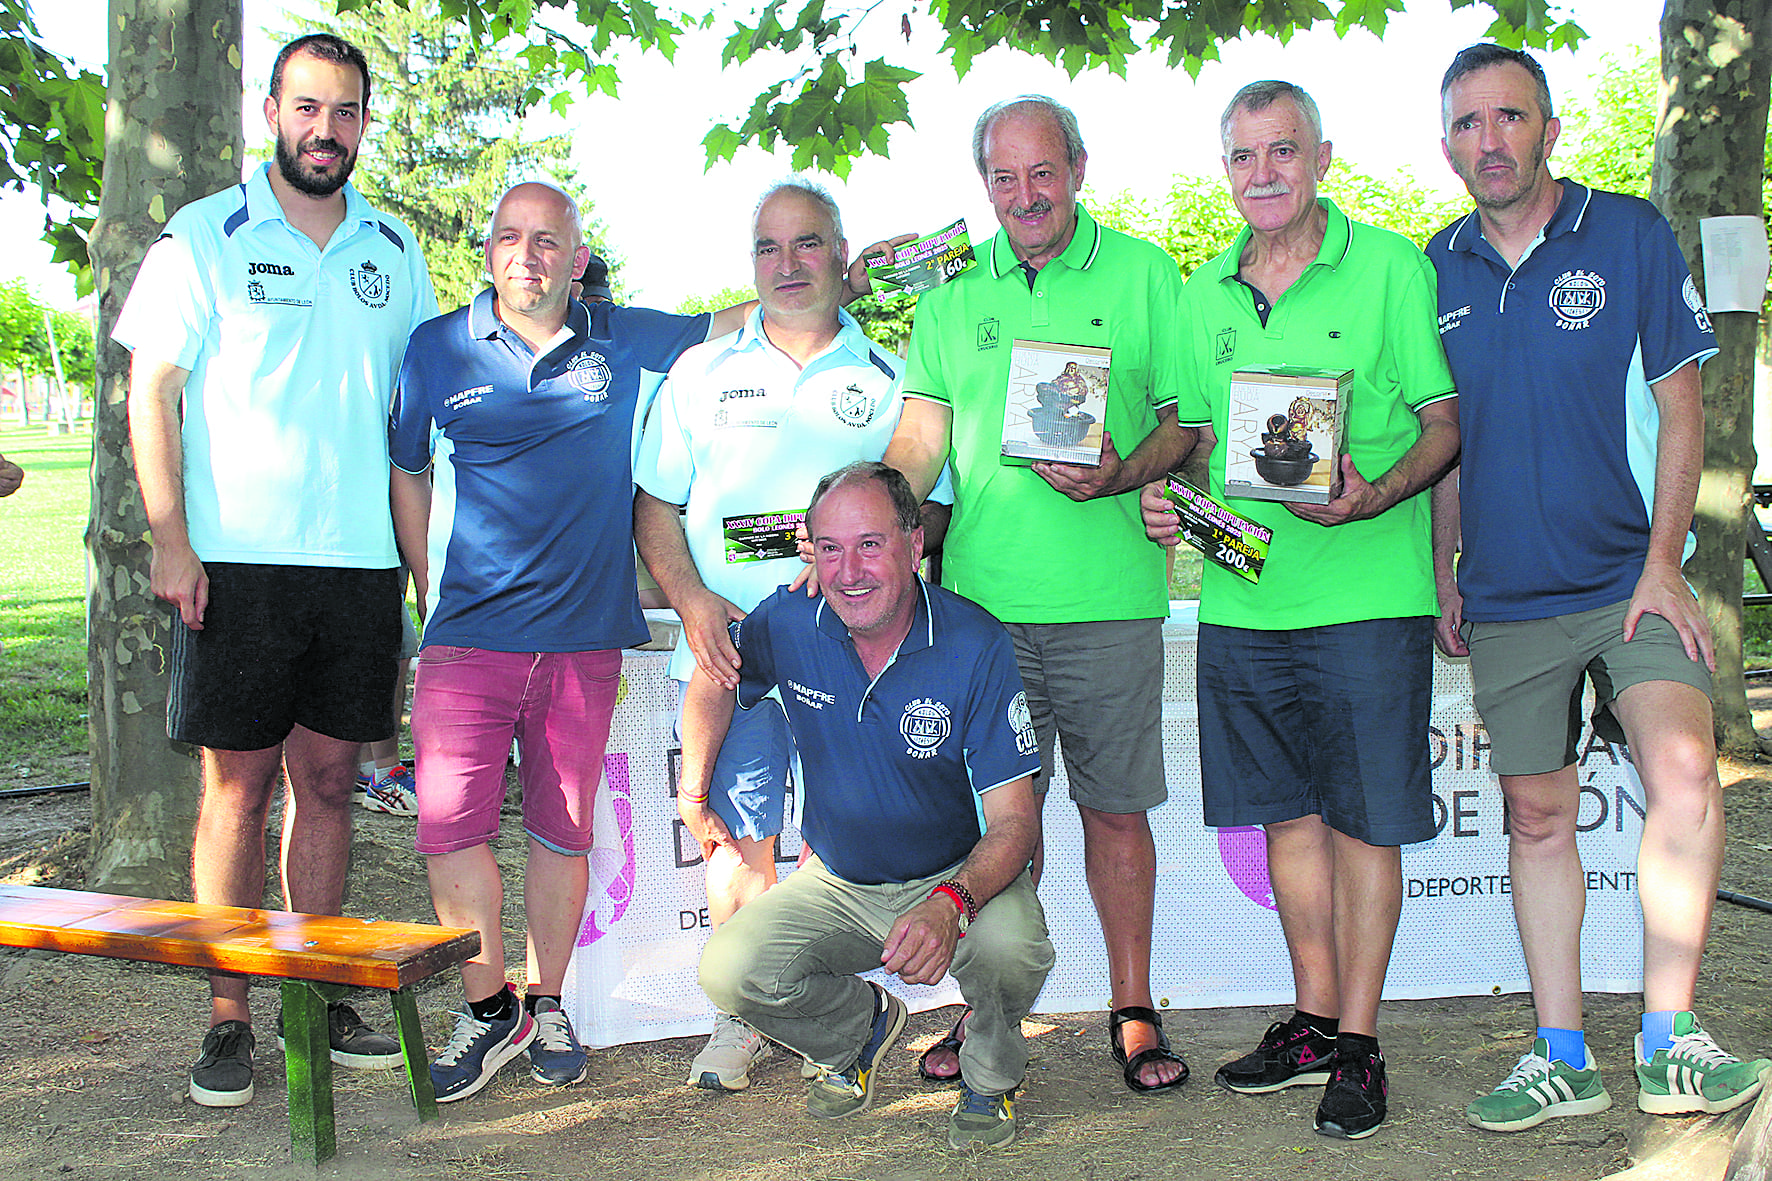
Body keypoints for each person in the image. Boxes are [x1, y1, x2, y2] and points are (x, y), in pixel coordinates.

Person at [1427, 43, 1771, 1132]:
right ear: (1446, 144)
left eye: (1510, 118)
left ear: (1548, 130)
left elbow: (1683, 411)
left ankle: (1669, 1037)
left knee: (1680, 769)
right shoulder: (1427, 267)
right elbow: (1443, 439)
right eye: (1468, 123)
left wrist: (1661, 560)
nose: (1490, 140)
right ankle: (1560, 1053)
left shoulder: (1624, 233)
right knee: (1536, 815)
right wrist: (1443, 567)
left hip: (1631, 578)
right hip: (1509, 596)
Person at [111, 33, 437, 1107]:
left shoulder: (395, 250)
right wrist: (170, 535)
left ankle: (313, 975)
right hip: (236, 566)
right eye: (308, 107)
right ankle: (229, 1009)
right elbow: (149, 390)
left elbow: (414, 422)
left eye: (345, 112)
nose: (325, 130)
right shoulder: (203, 236)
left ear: (362, 125)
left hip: (355, 567)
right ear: (271, 112)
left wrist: (423, 570)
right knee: (237, 788)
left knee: (333, 782)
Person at [388, 181, 755, 1104]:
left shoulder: (619, 336)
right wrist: (426, 577)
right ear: (487, 253)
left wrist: (845, 271)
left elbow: (730, 319)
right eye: (510, 238)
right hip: (469, 639)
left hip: (585, 640)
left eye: (548, 240)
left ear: (576, 256)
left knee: (562, 830)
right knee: (448, 829)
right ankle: (489, 1008)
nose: (528, 255)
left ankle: (546, 998)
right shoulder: (437, 346)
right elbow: (405, 467)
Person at [1140, 80, 1459, 1139]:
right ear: (1223, 168)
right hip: (1242, 599)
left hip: (1365, 599)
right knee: (1286, 818)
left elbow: (1442, 422)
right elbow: (1189, 437)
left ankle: (1359, 1046)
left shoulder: (1389, 268)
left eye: (1282, 152)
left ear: (1320, 157)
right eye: (1242, 156)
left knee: (1363, 825)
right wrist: (1158, 495)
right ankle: (1313, 1020)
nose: (1262, 173)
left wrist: (1375, 492)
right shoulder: (1201, 293)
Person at [882, 93, 1192, 1095]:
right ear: (983, 185)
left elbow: (1187, 428)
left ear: (1079, 167)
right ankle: (986, 1006)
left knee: (1113, 811)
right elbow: (919, 444)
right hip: (981, 614)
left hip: (1107, 601)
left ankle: (1132, 1004)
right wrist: (875, 524)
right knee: (996, 828)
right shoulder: (949, 295)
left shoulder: (1146, 272)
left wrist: (1121, 470)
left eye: (1041, 172)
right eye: (1002, 178)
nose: (1024, 195)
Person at [634, 178, 951, 1092]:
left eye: (808, 244)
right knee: (739, 839)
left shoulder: (893, 380)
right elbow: (656, 505)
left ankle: (825, 1006)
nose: (787, 264)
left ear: (842, 259)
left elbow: (925, 512)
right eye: (769, 248)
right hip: (731, 653)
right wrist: (692, 598)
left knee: (838, 851)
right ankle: (741, 1017)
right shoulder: (700, 374)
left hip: (855, 664)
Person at [691, 461, 1052, 1149]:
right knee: (728, 971)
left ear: (915, 546)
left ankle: (990, 1076)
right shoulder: (791, 620)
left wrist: (951, 901)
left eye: (870, 544)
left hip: (955, 873)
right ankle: (860, 1030)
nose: (848, 569)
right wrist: (692, 787)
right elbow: (718, 667)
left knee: (1011, 946)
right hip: (840, 881)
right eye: (829, 547)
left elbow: (1015, 823)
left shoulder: (975, 641)